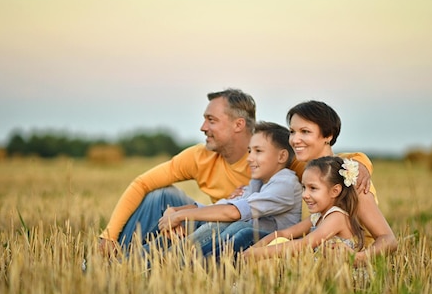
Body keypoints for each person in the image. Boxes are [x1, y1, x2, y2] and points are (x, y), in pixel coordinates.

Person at [98, 88, 257, 256]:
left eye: (211, 120)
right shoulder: (200, 157)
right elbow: (142, 183)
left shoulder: (272, 156)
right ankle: (109, 256)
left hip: (241, 234)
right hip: (211, 218)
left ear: (238, 124)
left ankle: (131, 265)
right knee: (161, 196)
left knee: (229, 226)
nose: (203, 128)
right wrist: (109, 237)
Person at [235, 100, 397, 265]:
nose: (295, 140)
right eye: (292, 131)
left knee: (250, 241)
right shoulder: (304, 167)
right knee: (247, 234)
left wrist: (358, 258)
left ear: (328, 136)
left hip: (345, 263)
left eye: (305, 132)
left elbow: (388, 238)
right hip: (313, 255)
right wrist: (244, 193)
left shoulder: (348, 176)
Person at [155, 121, 302, 256]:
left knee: (234, 226)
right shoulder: (257, 183)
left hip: (269, 248)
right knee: (202, 221)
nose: (249, 158)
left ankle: (177, 261)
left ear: (282, 156)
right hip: (244, 240)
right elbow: (218, 208)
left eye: (258, 151)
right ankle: (150, 259)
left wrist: (181, 215)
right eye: (249, 151)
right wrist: (175, 212)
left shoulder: (285, 184)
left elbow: (232, 213)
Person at [243, 156, 365, 259]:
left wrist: (258, 254)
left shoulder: (337, 217)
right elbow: (283, 233)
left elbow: (304, 244)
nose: (304, 195)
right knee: (279, 241)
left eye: (313, 188)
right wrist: (252, 250)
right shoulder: (317, 217)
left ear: (335, 191)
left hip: (341, 281)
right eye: (304, 187)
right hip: (321, 275)